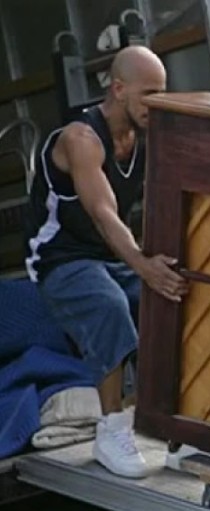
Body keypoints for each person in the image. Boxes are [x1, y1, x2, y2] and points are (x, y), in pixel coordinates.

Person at [25, 45, 188, 478]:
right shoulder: (81, 139)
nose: (158, 102)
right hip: (61, 261)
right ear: (118, 89)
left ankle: (178, 431)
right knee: (110, 304)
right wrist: (142, 263)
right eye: (149, 93)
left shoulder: (145, 138)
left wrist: (160, 266)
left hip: (109, 258)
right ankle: (111, 430)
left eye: (162, 92)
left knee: (176, 299)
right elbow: (104, 213)